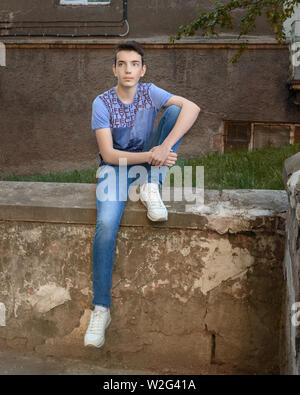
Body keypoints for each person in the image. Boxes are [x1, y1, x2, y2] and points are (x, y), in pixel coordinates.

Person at [84, 40, 201, 348]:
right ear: (114, 69)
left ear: (142, 69)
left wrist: (164, 148)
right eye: (122, 64)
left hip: (150, 162)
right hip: (116, 169)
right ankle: (101, 308)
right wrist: (152, 156)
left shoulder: (150, 92)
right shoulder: (102, 102)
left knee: (175, 111)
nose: (128, 69)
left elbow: (193, 107)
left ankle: (152, 187)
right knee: (107, 225)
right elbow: (109, 155)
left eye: (134, 64)